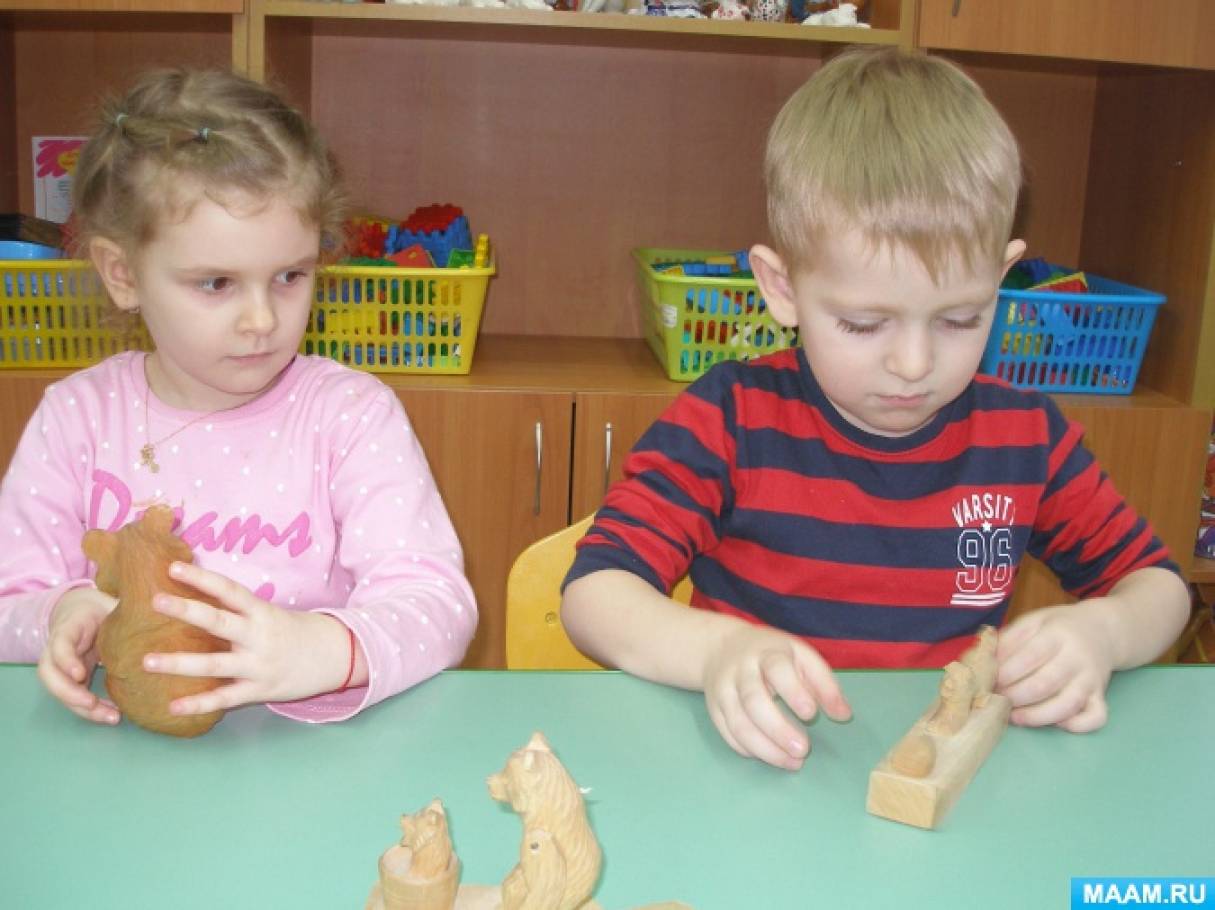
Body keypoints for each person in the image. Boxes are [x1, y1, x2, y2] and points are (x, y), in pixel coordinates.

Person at [561, 48, 1189, 772]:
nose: (914, 366)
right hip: (756, 770)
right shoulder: (732, 419)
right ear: (782, 288)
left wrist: (1103, 634)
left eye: (959, 319)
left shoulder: (1026, 437)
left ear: (1002, 278)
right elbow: (595, 595)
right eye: (863, 325)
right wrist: (717, 652)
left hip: (934, 782)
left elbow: (1159, 588)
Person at [0, 69, 476, 727]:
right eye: (217, 283)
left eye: (289, 276)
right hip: (119, 752)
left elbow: (438, 605)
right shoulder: (75, 418)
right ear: (123, 274)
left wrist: (327, 649)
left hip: (307, 760)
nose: (261, 319)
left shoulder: (350, 416)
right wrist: (62, 613)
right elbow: (7, 602)